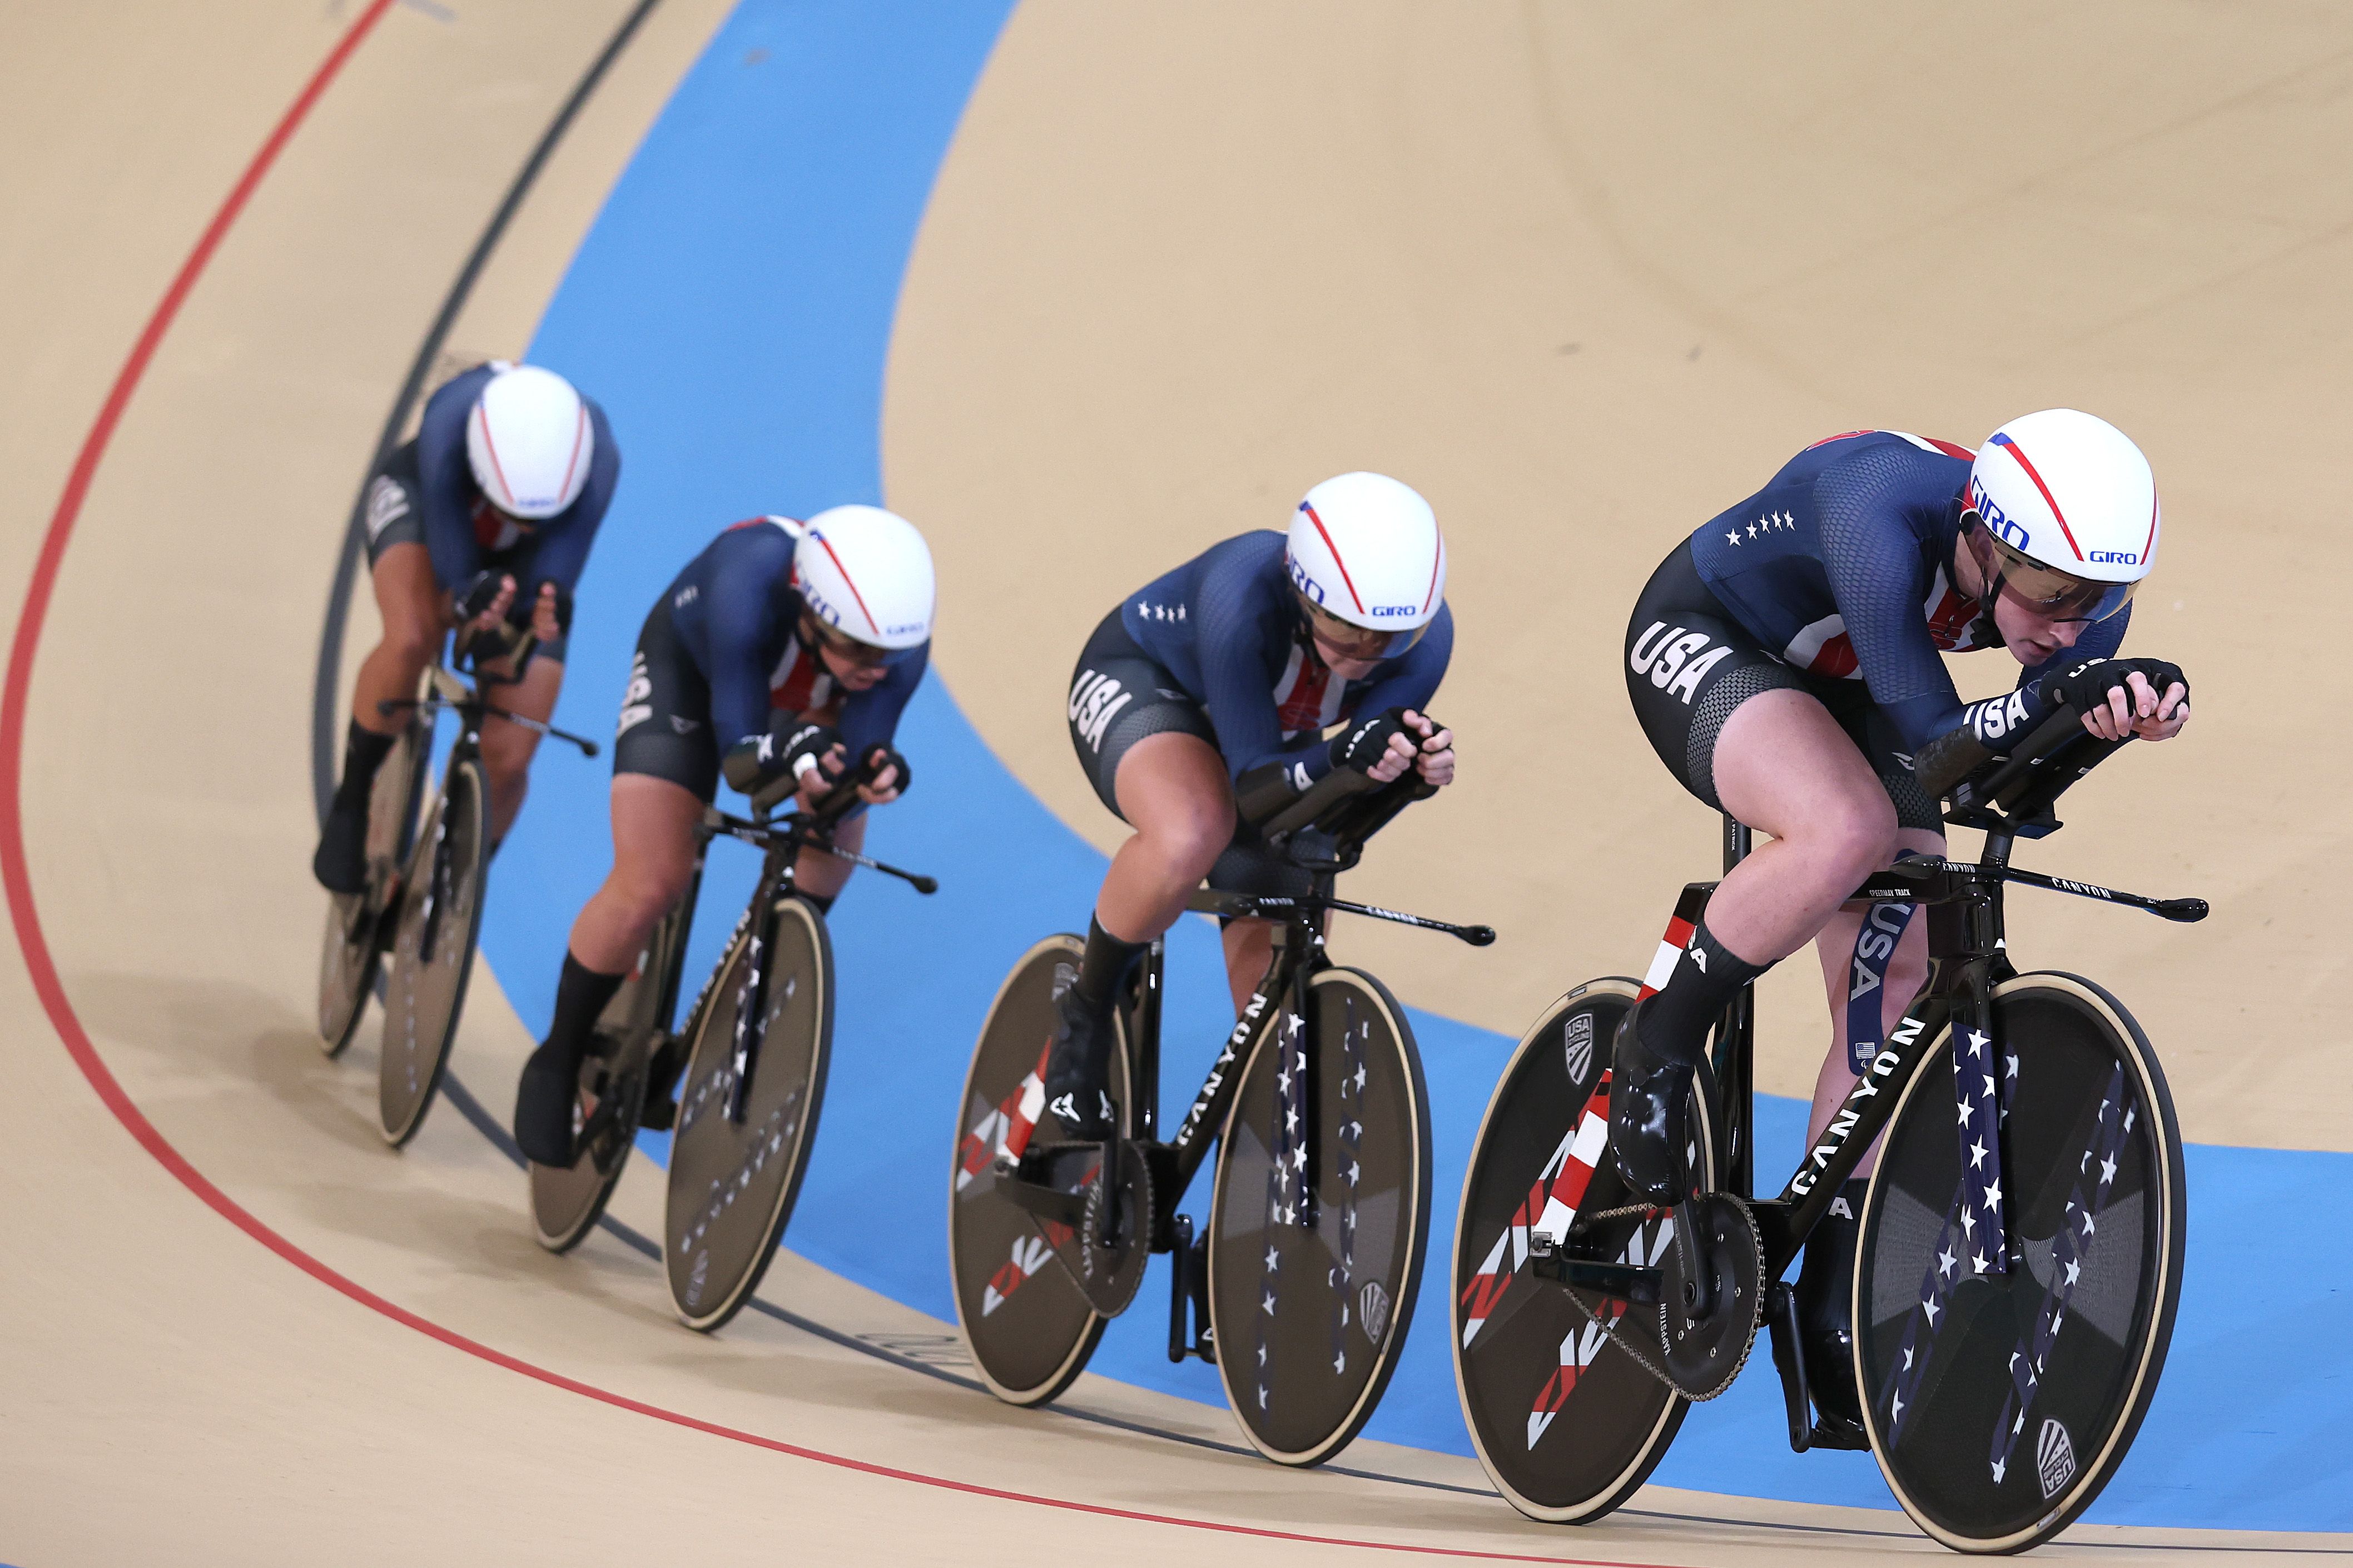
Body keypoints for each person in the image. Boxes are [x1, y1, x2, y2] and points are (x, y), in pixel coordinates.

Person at [1609, 410, 2189, 1443]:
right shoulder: (1877, 512)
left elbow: (2015, 784)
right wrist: (2058, 706)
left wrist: (2112, 716)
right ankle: (1654, 1044)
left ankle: (1837, 1252)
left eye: (2098, 602)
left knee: (1900, 956)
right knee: (1846, 828)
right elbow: (1934, 738)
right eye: (2053, 595)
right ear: (1985, 540)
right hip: (1711, 636)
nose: (2071, 624)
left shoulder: (2072, 595)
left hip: (1849, 684)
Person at [512, 505, 934, 1166]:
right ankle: (558, 1052)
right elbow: (740, 760)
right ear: (807, 608)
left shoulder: (892, 649)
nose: (876, 667)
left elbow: (859, 746)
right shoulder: (746, 583)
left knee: (834, 841)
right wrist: (789, 745)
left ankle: (757, 974)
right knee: (651, 881)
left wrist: (869, 770)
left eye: (891, 654)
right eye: (857, 647)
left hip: (793, 706)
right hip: (691, 672)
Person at [1044, 471, 1459, 1140]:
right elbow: (1254, 792)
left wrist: (1406, 776)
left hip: (1268, 745)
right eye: (1342, 627)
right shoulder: (1239, 595)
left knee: (1282, 974)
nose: (1363, 653)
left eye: (1388, 638)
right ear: (1300, 590)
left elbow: (1340, 792)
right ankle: (1084, 1014)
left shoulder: (1427, 642)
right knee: (1193, 829)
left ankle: (1268, 1161)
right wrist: (1346, 754)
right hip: (1145, 685)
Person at [314, 361, 620, 892]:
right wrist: (465, 597)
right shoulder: (450, 420)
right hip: (431, 507)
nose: (520, 520)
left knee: (517, 741)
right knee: (414, 634)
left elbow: (553, 578)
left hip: (524, 559)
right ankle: (354, 795)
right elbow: (456, 571)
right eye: (512, 510)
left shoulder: (600, 461)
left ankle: (453, 886)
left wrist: (537, 612)